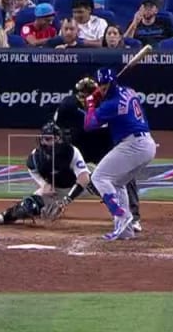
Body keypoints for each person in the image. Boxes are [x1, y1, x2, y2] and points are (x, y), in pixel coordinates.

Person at [53, 77, 143, 229]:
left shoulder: (108, 105)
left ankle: (133, 218)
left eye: (87, 93)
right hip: (80, 146)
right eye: (81, 93)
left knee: (127, 176)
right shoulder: (68, 105)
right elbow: (57, 124)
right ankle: (48, 204)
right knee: (55, 166)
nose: (83, 96)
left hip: (104, 146)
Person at [83, 68, 156, 240]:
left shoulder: (113, 104)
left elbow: (89, 124)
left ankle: (121, 214)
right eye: (99, 85)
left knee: (99, 177)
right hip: (145, 144)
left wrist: (92, 104)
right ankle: (126, 230)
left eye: (104, 85)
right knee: (117, 183)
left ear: (113, 83)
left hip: (134, 145)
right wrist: (102, 96)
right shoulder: (128, 91)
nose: (101, 88)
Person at [0, 122, 95, 225]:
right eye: (43, 138)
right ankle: (6, 216)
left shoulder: (71, 151)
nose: (44, 142)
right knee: (28, 206)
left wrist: (64, 202)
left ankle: (112, 214)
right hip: (56, 189)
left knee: (102, 184)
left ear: (58, 139)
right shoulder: (35, 156)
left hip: (83, 186)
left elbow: (84, 178)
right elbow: (32, 170)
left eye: (48, 139)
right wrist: (44, 185)